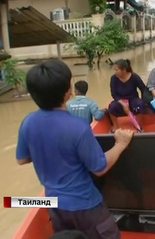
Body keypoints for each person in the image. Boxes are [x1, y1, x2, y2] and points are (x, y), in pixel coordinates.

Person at [16, 59, 134, 239]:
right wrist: (121, 144)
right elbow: (100, 168)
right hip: (85, 205)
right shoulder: (78, 127)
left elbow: (22, 159)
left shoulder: (28, 122)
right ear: (68, 92)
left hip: (54, 205)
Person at [108, 59, 146, 132]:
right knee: (112, 107)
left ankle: (139, 126)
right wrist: (123, 104)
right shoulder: (114, 78)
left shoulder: (134, 77)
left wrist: (143, 100)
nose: (115, 72)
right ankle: (115, 126)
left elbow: (143, 89)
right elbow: (114, 94)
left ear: (124, 70)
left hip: (133, 98)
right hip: (120, 100)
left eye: (117, 70)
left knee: (139, 105)